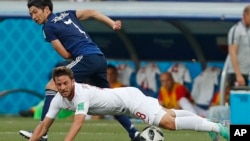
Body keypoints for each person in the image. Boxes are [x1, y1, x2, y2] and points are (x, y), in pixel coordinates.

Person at [19, 0, 140, 141]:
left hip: (86, 58)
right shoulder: (68, 14)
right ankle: (134, 133)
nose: (33, 17)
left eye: (35, 12)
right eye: (30, 14)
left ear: (46, 9)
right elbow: (92, 12)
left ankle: (42, 133)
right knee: (111, 101)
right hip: (100, 58)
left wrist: (75, 54)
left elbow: (65, 55)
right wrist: (112, 23)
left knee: (52, 85)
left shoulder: (48, 27)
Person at [26, 66, 229, 141]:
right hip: (126, 97)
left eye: (65, 83)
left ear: (73, 81)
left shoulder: (80, 94)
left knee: (167, 123)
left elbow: (78, 123)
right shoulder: (58, 100)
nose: (62, 87)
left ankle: (219, 127)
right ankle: (209, 123)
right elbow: (43, 126)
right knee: (172, 114)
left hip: (131, 102)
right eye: (58, 84)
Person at [227, 4, 250, 89]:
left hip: (246, 72)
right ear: (245, 15)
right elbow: (232, 52)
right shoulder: (236, 30)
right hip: (236, 74)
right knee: (237, 100)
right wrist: (238, 75)